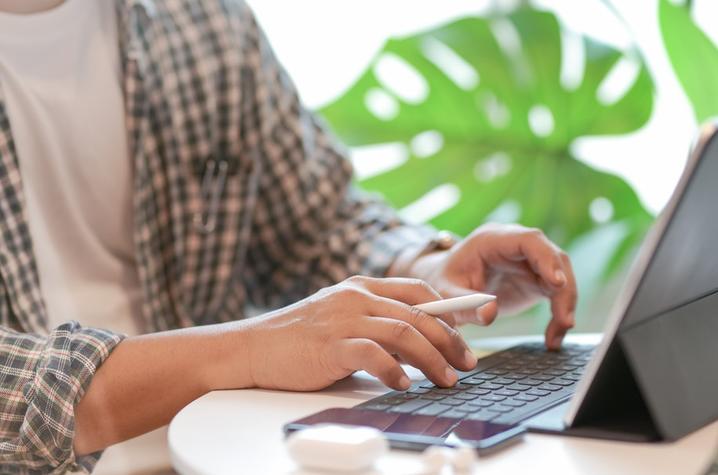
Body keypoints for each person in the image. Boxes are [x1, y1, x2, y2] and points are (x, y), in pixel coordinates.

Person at [0, 0, 577, 472]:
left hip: (226, 456)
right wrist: (255, 346)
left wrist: (425, 274)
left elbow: (315, 223)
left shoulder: (204, 20)